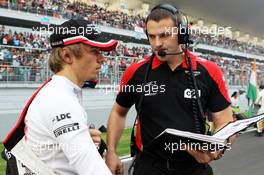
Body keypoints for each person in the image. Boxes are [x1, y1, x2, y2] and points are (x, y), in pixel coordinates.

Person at [106, 4, 235, 175]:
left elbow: (225, 121)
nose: (157, 43)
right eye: (152, 37)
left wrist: (217, 150)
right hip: (148, 167)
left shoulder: (208, 71)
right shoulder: (136, 72)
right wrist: (112, 152)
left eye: (165, 35)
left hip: (193, 168)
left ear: (182, 35)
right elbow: (118, 112)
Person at [3, 19, 118, 175]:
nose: (102, 58)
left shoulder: (60, 91)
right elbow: (93, 170)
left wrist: (79, 139)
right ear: (67, 56)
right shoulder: (61, 99)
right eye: (94, 51)